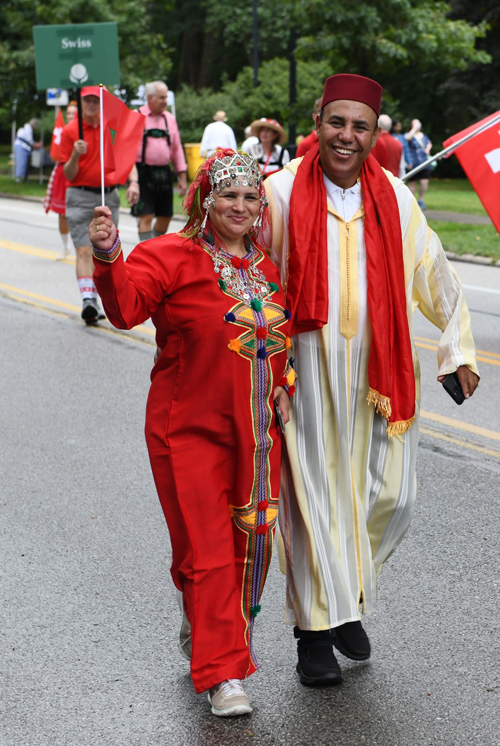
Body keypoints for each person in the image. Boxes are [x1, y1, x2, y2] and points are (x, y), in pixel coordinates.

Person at [264, 73, 479, 687]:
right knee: (314, 501)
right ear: (317, 121)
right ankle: (314, 634)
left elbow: (434, 270)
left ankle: (348, 594)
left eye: (360, 126)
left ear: (375, 132)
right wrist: (263, 366)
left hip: (379, 377)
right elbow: (249, 270)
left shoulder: (396, 196)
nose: (346, 136)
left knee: (392, 496)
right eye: (337, 122)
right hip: (302, 374)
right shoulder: (279, 193)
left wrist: (455, 348)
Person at [89, 149, 295, 716]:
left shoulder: (268, 268)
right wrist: (109, 256)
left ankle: (208, 633)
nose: (240, 206)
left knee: (249, 546)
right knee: (205, 551)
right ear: (206, 198)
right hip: (188, 433)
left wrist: (287, 385)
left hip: (255, 440)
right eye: (228, 194)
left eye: (251, 197)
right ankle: (223, 675)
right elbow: (127, 308)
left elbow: (286, 341)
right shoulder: (171, 256)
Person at [60, 87, 140, 324]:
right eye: (88, 100)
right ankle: (88, 301)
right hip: (80, 195)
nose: (92, 105)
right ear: (81, 103)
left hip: (108, 196)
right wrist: (75, 154)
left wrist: (134, 182)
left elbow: (126, 158)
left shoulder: (110, 128)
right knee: (84, 249)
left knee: (104, 250)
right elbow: (69, 174)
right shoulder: (70, 131)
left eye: (96, 100)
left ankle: (102, 300)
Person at [134, 81, 188, 242]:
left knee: (166, 215)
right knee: (146, 214)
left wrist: (182, 176)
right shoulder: (136, 116)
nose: (165, 101)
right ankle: (146, 253)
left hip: (164, 172)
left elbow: (177, 148)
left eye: (166, 98)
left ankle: (151, 246)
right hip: (142, 172)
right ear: (150, 98)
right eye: (161, 98)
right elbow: (125, 147)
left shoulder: (169, 119)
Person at [44, 102, 78, 259]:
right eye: (69, 113)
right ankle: (65, 247)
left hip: (79, 173)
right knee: (62, 214)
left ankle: (82, 248)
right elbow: (55, 154)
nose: (71, 116)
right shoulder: (62, 131)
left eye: (74, 113)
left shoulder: (84, 131)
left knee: (81, 213)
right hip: (62, 173)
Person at [405, 118, 432, 210]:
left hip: (424, 162)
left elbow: (429, 143)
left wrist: (428, 149)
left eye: (418, 123)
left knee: (424, 181)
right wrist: (414, 129)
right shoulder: (409, 135)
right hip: (413, 163)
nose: (417, 125)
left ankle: (421, 200)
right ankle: (412, 202)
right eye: (414, 124)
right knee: (412, 182)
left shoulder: (424, 136)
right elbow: (407, 138)